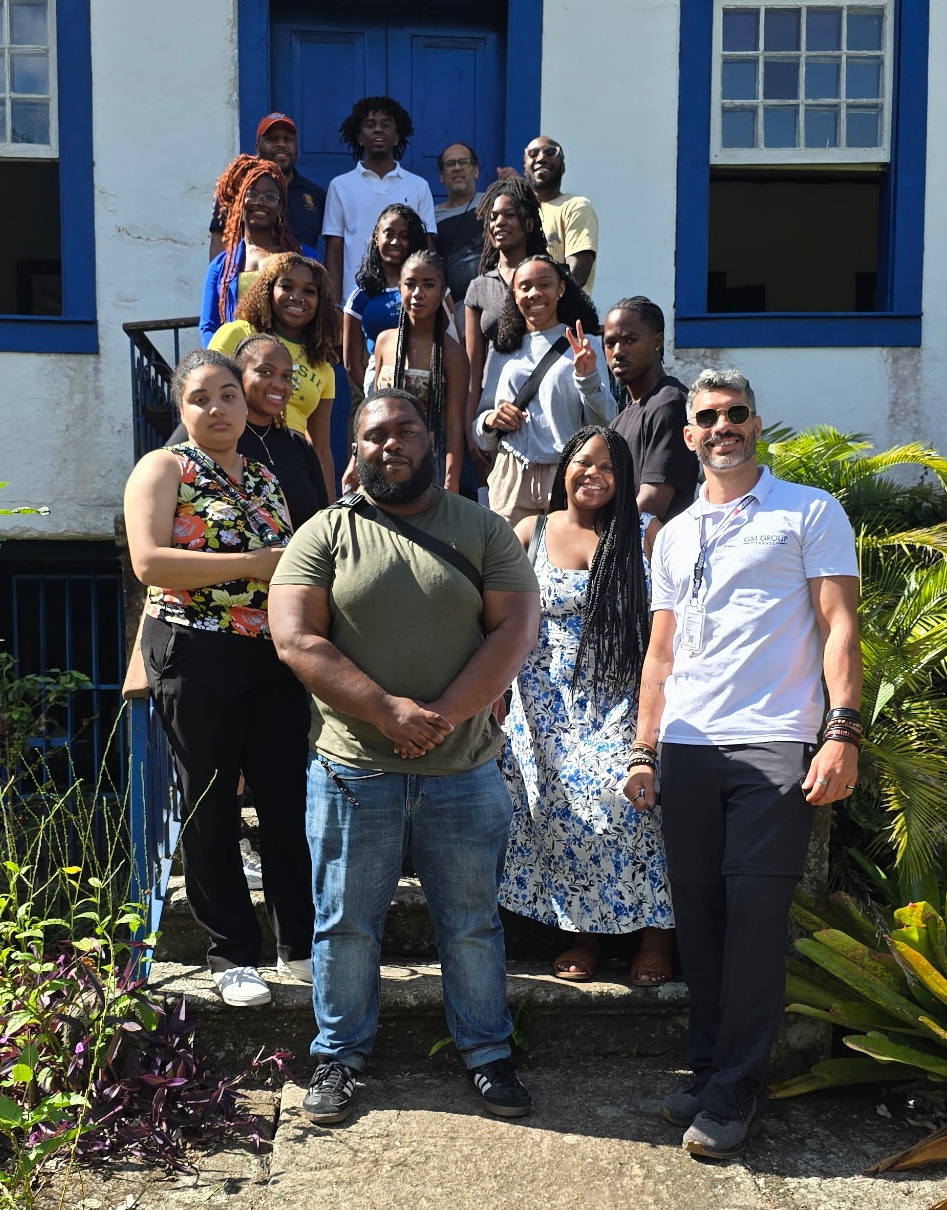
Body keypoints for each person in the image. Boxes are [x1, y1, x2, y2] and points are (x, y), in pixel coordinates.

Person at [267, 387, 540, 1125]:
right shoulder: (322, 534)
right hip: (353, 771)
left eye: (405, 431)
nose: (390, 444)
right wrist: (386, 712)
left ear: (432, 441)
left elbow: (513, 630)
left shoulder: (483, 529)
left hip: (464, 773)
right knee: (346, 924)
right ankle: (337, 1055)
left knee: (472, 923)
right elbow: (295, 638)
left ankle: (487, 1052)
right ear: (353, 451)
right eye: (373, 434)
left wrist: (441, 717)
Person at [625, 368, 861, 1159]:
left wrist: (840, 733)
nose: (720, 426)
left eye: (735, 413)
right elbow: (659, 654)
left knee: (755, 926)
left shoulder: (809, 511)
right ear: (685, 435)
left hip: (773, 746)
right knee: (700, 924)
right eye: (706, 417)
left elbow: (838, 628)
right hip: (687, 747)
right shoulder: (673, 532)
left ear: (755, 424)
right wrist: (642, 747)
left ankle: (734, 1094)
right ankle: (708, 1071)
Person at [124, 348, 315, 1008]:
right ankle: (231, 953)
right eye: (201, 397)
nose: (217, 407)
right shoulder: (164, 467)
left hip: (269, 658)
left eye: (228, 394)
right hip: (194, 652)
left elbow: (290, 567)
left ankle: (301, 943)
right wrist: (254, 562)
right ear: (182, 409)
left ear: (245, 402)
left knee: (288, 802)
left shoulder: (263, 477)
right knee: (210, 806)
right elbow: (150, 562)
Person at [499, 426, 674, 984]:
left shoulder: (644, 533)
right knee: (558, 809)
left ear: (623, 480)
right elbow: (495, 617)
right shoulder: (529, 531)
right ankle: (584, 932)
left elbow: (667, 626)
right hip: (542, 702)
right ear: (563, 469)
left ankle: (655, 936)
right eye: (582, 462)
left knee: (631, 803)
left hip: (621, 697)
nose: (593, 474)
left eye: (608, 466)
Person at [473, 255, 613, 526]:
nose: (534, 293)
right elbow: (481, 431)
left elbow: (605, 422)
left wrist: (588, 377)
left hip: (567, 473)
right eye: (524, 287)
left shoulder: (585, 344)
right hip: (510, 475)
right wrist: (491, 421)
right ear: (514, 295)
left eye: (544, 284)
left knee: (564, 564)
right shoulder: (502, 350)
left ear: (561, 289)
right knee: (506, 566)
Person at [209, 253, 340, 500]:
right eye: (286, 286)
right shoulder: (237, 335)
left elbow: (321, 448)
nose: (297, 297)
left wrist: (331, 513)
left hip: (293, 468)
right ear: (268, 289)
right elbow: (206, 397)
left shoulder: (322, 367)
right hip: (237, 456)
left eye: (309, 291)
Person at [169, 334, 328, 527]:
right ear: (239, 378)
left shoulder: (299, 447)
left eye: (286, 376)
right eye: (266, 372)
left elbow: (322, 521)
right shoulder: (209, 434)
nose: (279, 384)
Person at [464, 179, 548, 483]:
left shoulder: (551, 277)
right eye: (493, 217)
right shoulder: (479, 288)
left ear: (527, 223)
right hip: (495, 419)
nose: (499, 222)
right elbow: (473, 364)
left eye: (508, 215)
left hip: (545, 416)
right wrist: (470, 422)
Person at [364, 251, 468, 492]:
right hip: (383, 459)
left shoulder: (453, 355)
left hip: (429, 465)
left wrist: (450, 484)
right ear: (400, 288)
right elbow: (371, 413)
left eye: (428, 285)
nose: (418, 293)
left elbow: (454, 427)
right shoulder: (384, 341)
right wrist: (355, 462)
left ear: (442, 293)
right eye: (410, 284)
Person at [323, 96, 437, 304]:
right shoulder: (340, 186)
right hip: (354, 301)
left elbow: (427, 248)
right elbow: (335, 251)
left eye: (386, 125)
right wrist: (333, 306)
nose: (378, 130)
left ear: (396, 137)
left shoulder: (418, 186)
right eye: (370, 125)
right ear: (359, 137)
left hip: (408, 300)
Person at [199, 155, 317, 345]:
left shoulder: (306, 258)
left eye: (270, 197)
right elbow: (209, 327)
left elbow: (318, 318)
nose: (260, 202)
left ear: (280, 207)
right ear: (239, 202)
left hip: (291, 366)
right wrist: (223, 366)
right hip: (237, 366)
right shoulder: (221, 266)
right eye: (251, 194)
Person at [604, 297, 698, 521]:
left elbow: (652, 503)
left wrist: (601, 541)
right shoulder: (621, 418)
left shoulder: (671, 404)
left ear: (657, 341)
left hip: (654, 551)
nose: (618, 351)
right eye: (610, 343)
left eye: (629, 340)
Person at [342, 204, 433, 400]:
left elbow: (452, 335)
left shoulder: (431, 286)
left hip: (427, 381)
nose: (395, 241)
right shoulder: (361, 294)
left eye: (404, 236)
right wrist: (373, 394)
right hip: (377, 386)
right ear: (376, 237)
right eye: (389, 234)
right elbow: (351, 362)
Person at [209, 113, 326, 259]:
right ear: (257, 147)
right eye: (272, 139)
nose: (282, 144)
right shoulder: (236, 189)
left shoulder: (315, 195)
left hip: (299, 278)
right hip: (248, 276)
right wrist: (222, 278)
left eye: (288, 139)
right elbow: (219, 241)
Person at [516, 136, 599, 292]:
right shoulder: (517, 213)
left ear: (563, 167)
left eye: (550, 152)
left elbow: (578, 272)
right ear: (524, 166)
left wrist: (548, 310)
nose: (541, 158)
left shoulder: (575, 206)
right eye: (533, 153)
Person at [434, 142, 483, 337]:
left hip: (495, 305)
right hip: (456, 314)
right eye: (450, 164)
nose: (457, 168)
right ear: (441, 177)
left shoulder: (494, 203)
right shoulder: (432, 217)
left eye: (464, 162)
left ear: (476, 171)